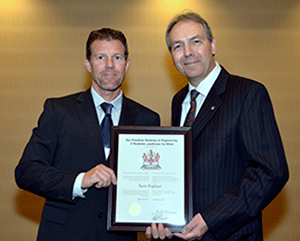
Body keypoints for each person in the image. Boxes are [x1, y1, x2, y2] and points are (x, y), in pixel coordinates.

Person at [146, 12, 289, 241]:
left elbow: (270, 173)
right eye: (177, 46)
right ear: (171, 56)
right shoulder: (179, 101)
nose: (188, 52)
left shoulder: (247, 94)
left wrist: (211, 219)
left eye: (196, 41)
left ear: (213, 45)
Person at [15, 28, 160, 241]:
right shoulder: (59, 110)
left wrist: (160, 217)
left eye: (117, 57)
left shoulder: (148, 119)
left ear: (127, 64)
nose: (109, 65)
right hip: (64, 234)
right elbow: (27, 172)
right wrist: (80, 180)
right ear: (88, 64)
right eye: (101, 57)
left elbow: (152, 182)